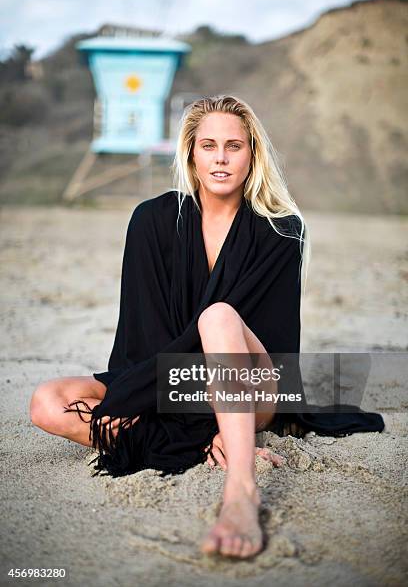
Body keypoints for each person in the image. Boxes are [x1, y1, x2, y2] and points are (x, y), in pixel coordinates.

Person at [30, 94, 310, 559]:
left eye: (234, 146)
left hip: (253, 384)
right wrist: (193, 419)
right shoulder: (151, 220)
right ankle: (206, 443)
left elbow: (279, 343)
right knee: (47, 403)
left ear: (252, 154)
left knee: (218, 317)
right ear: (191, 153)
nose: (221, 157)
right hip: (174, 381)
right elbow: (142, 333)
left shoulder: (282, 230)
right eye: (209, 145)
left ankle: (241, 490)